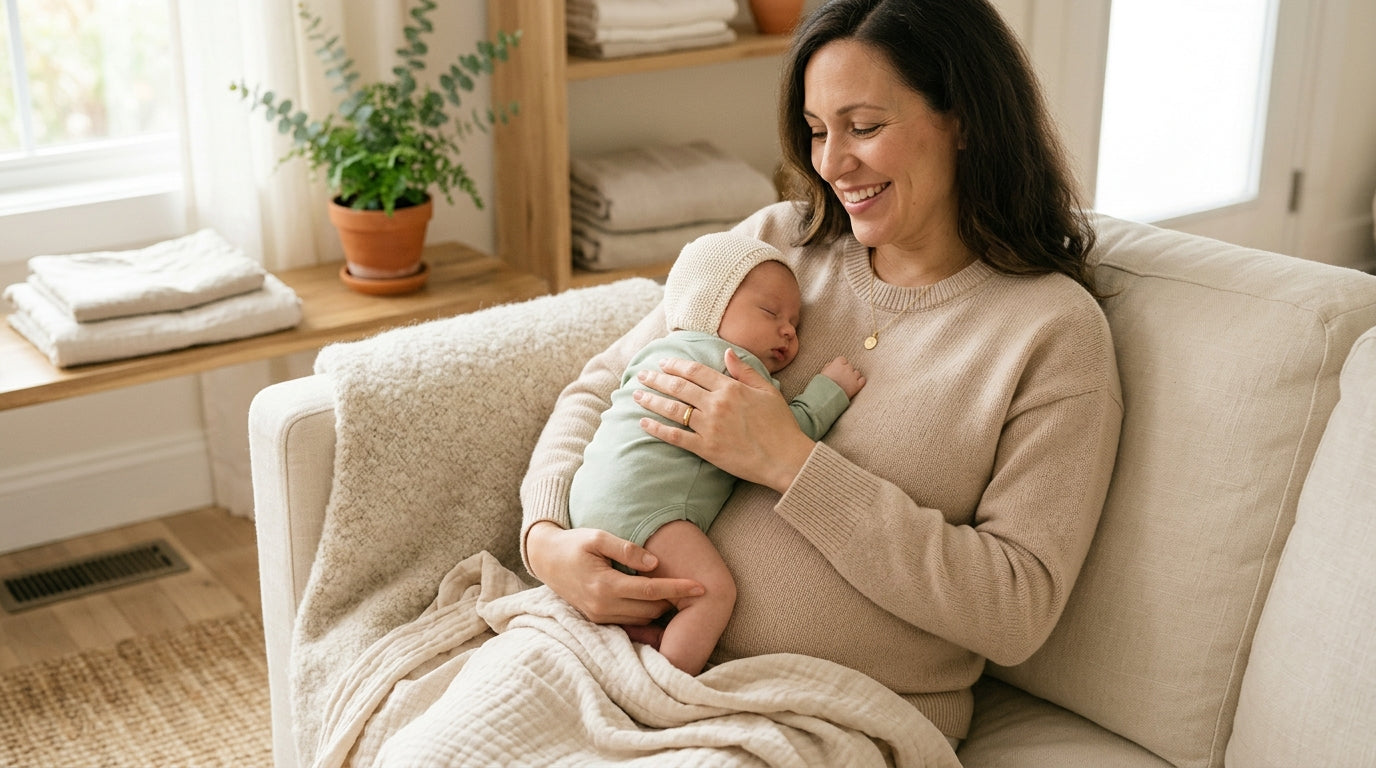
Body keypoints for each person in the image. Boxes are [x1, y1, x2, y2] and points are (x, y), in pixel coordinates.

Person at [520, 0, 1123, 748]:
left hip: (823, 716)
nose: (831, 164)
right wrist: (545, 539)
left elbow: (1015, 605)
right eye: (816, 131)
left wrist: (791, 462)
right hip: (620, 652)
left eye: (864, 127)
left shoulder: (1051, 333)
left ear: (963, 118)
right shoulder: (774, 246)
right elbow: (603, 386)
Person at [568, 231, 867, 676]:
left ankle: (647, 638)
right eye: (770, 313)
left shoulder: (656, 353)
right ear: (710, 306)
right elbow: (780, 439)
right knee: (711, 592)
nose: (788, 329)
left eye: (796, 324)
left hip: (586, 501)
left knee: (657, 595)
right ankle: (667, 681)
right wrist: (829, 392)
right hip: (647, 507)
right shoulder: (730, 368)